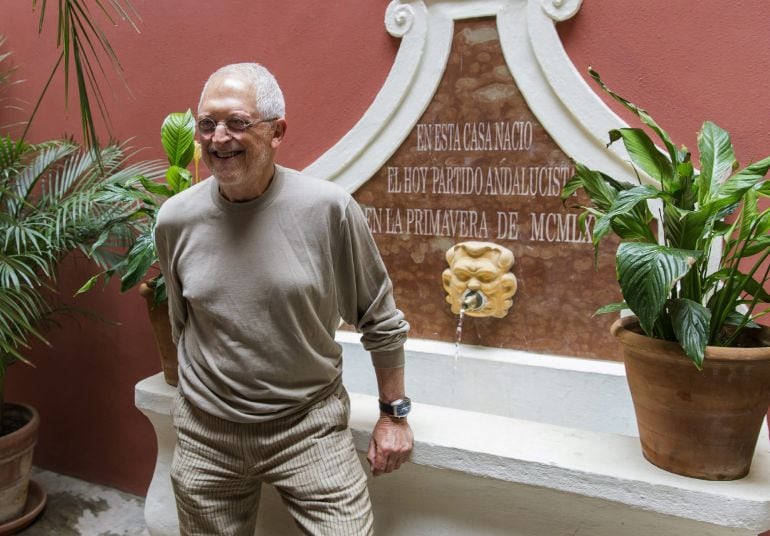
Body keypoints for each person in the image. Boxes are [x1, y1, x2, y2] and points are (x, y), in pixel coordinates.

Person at [154, 62, 413, 536]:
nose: (218, 138)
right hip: (207, 434)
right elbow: (182, 322)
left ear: (277, 131)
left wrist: (393, 414)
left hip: (307, 427)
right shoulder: (175, 219)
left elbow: (381, 317)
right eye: (207, 123)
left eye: (237, 122)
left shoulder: (328, 210)